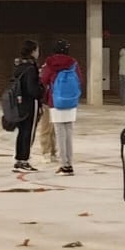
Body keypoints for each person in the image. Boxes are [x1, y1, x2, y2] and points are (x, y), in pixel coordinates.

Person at [41, 39, 82, 175]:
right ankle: (69, 162)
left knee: (60, 132)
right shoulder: (73, 63)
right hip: (70, 101)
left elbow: (44, 80)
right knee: (68, 131)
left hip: (55, 101)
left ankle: (64, 165)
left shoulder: (50, 63)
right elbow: (80, 79)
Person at [11, 41, 45, 171]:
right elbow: (32, 90)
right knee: (28, 132)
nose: (38, 53)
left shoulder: (19, 66)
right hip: (30, 103)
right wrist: (41, 89)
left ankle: (19, 159)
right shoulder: (31, 68)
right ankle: (24, 160)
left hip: (19, 104)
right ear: (32, 51)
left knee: (21, 132)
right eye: (36, 50)